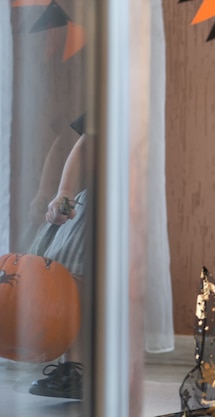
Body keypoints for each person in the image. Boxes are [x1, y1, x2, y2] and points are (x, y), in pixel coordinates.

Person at [28, 114, 88, 400]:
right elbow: (84, 141)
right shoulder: (109, 98)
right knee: (66, 274)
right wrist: (60, 193)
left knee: (75, 278)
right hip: (93, 198)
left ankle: (79, 366)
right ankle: (72, 366)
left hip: (122, 198)